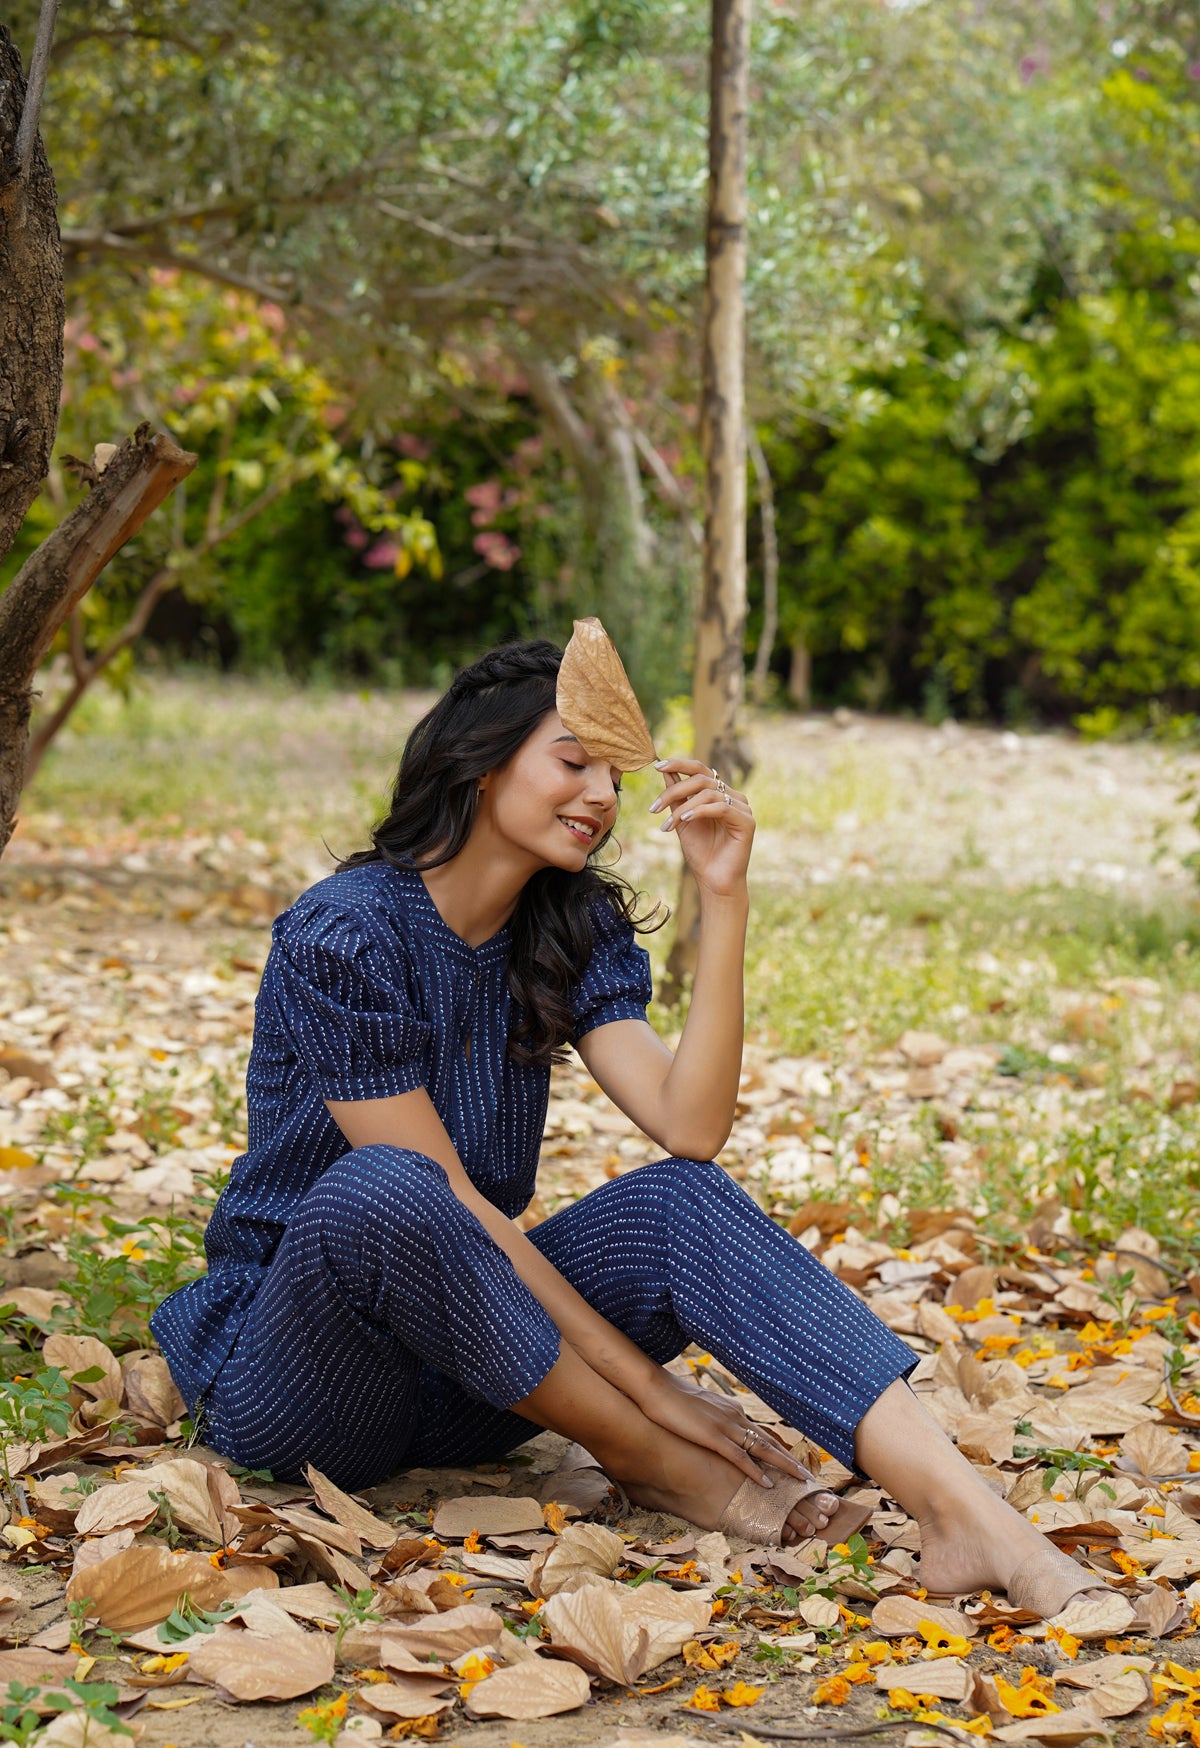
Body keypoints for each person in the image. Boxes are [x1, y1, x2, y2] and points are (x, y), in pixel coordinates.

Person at [152, 638, 1108, 1617]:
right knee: (392, 1188)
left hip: (469, 1375)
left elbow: (689, 1128)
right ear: (478, 763)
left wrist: (724, 892)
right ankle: (657, 1462)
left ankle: (965, 1517)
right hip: (302, 1375)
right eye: (573, 761)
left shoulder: (567, 928)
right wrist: (654, 1396)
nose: (603, 794)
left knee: (677, 1200)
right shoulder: (344, 935)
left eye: (613, 773)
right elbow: (449, 1206)